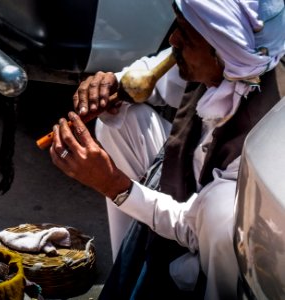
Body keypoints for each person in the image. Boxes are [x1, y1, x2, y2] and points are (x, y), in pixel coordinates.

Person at [49, 0, 285, 298]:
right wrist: (112, 85)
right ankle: (129, 264)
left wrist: (113, 185)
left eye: (186, 34)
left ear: (224, 55)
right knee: (122, 122)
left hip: (218, 238)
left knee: (220, 215)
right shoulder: (216, 62)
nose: (173, 39)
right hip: (188, 195)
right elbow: (148, 74)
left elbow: (192, 226)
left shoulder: (266, 129)